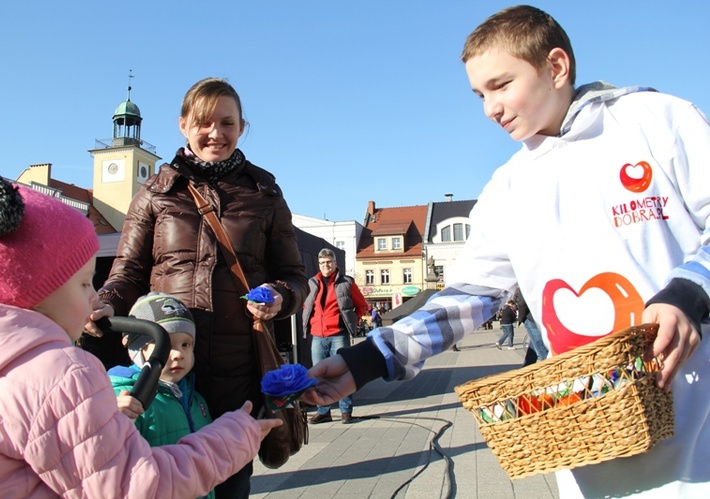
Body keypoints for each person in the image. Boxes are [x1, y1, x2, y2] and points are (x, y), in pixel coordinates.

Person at [303, 5, 709, 498]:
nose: (488, 109)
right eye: (479, 94)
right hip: (594, 436)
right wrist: (364, 362)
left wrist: (688, 290)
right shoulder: (509, 186)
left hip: (696, 418)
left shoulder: (656, 121)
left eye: (500, 85)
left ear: (556, 67)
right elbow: (466, 299)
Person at [0, 174, 281, 497]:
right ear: (36, 288)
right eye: (85, 283)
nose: (94, 298)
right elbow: (138, 486)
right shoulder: (61, 377)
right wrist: (233, 436)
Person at [85, 77, 309, 498]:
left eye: (227, 123)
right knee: (161, 483)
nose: (216, 134)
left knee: (229, 486)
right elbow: (127, 271)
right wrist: (104, 303)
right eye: (205, 122)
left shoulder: (265, 193)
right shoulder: (155, 192)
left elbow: (295, 276)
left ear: (242, 127)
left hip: (234, 375)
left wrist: (280, 296)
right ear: (184, 125)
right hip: (163, 371)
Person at [109, 292, 216, 499]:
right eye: (165, 346)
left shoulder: (196, 400)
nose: (178, 354)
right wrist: (114, 420)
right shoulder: (127, 398)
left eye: (186, 344)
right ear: (137, 350)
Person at [302, 248, 368, 424]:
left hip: (339, 335)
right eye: (322, 263)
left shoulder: (346, 282)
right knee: (318, 376)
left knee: (342, 374)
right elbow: (306, 307)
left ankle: (346, 411)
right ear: (319, 264)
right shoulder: (311, 283)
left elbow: (361, 305)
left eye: (329, 262)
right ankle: (323, 411)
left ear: (335, 263)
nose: (326, 266)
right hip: (318, 336)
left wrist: (351, 322)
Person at [516, 291, 548, 366]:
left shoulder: (525, 282)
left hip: (531, 318)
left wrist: (521, 318)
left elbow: (521, 302)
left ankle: (547, 366)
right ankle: (528, 367)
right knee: (537, 344)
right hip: (538, 317)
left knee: (538, 345)